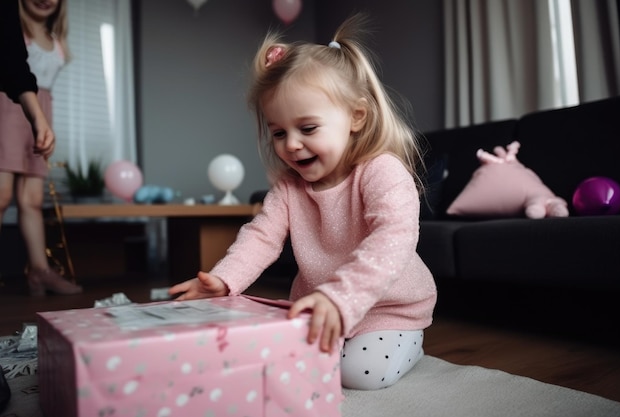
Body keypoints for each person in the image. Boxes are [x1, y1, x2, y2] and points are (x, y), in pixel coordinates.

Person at [168, 14, 437, 390]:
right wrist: (225, 279)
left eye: (307, 129)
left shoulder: (382, 171)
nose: (291, 144)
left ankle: (412, 346)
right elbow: (260, 236)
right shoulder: (290, 189)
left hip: (387, 311)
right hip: (318, 308)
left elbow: (392, 240)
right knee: (268, 355)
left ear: (355, 116)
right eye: (279, 132)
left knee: (357, 373)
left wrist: (340, 297)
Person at [0, 0, 81, 296]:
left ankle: (39, 271)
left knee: (32, 199)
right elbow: (12, 69)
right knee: (2, 194)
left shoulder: (55, 39)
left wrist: (43, 121)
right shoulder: (13, 29)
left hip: (41, 112)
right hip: (8, 109)